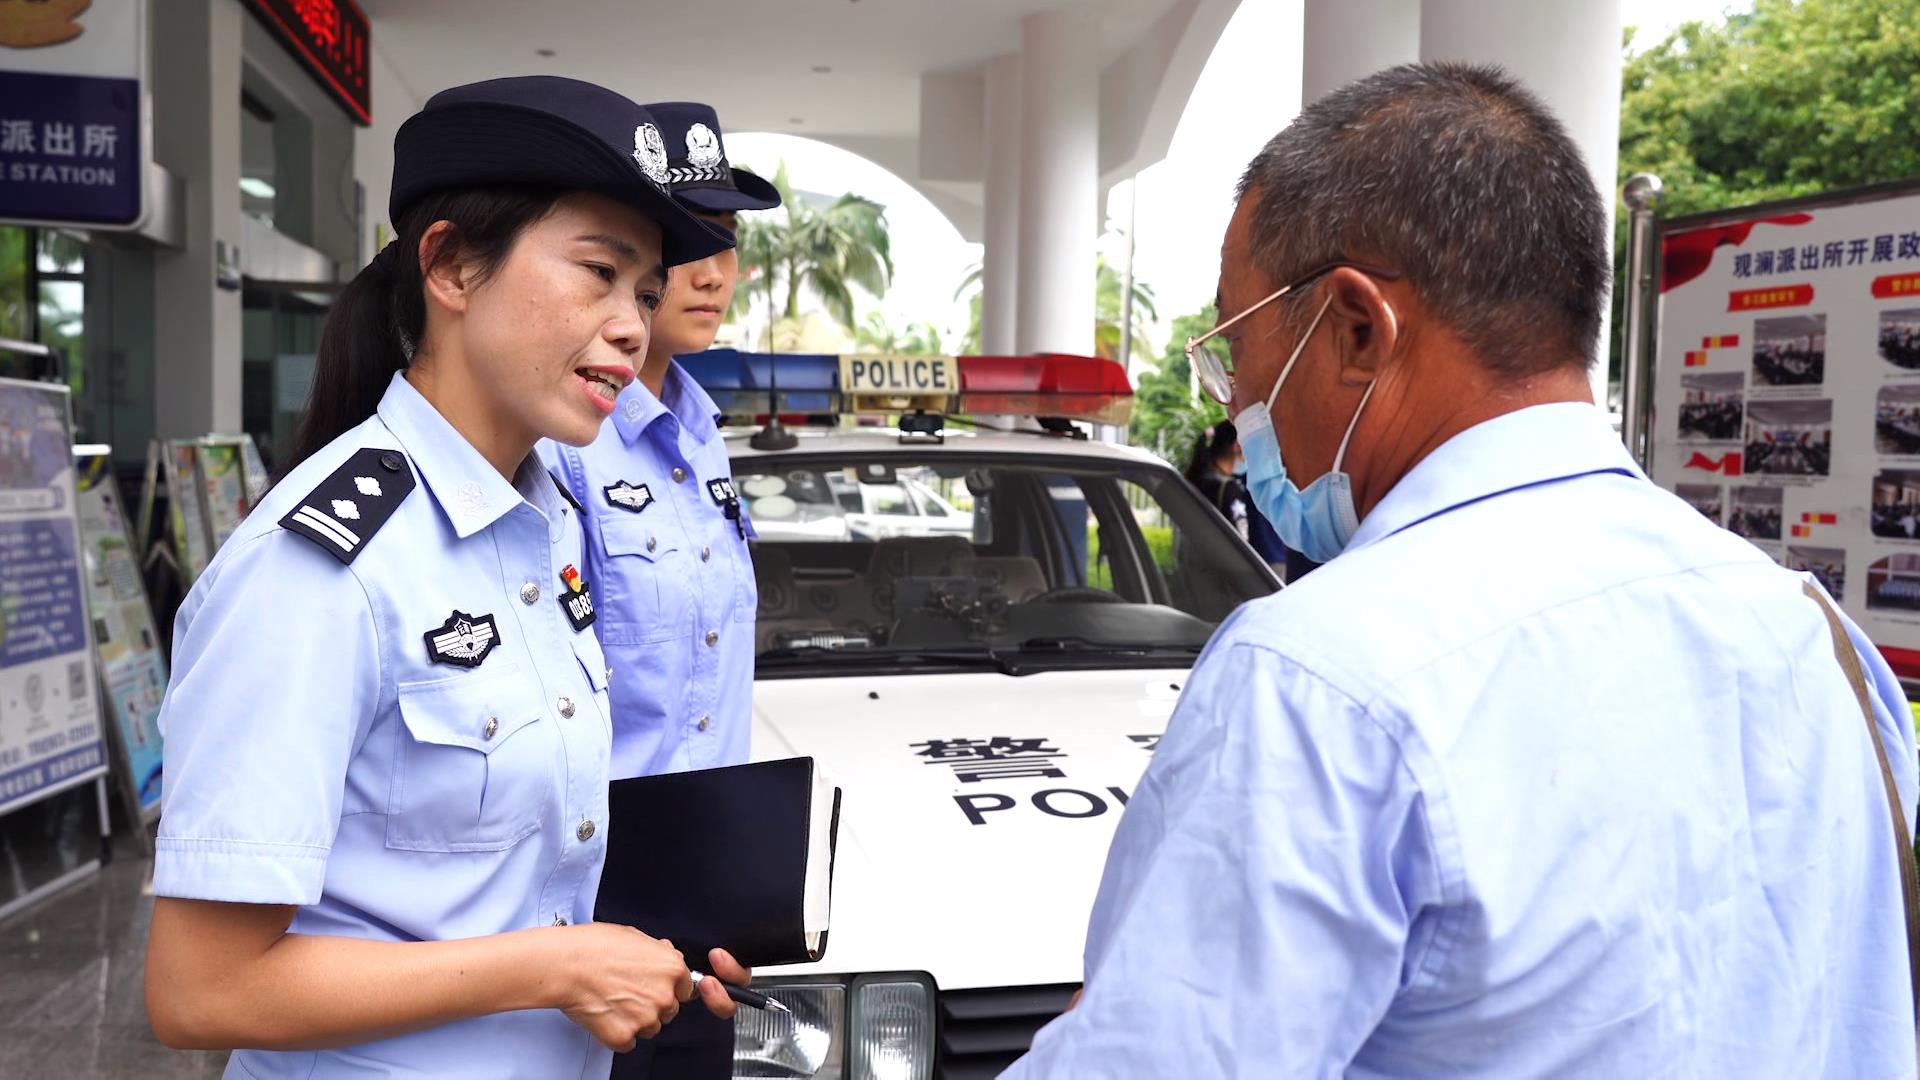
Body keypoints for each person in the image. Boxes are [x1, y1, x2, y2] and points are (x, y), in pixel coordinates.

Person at [1007, 63, 1916, 1077]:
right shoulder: (1812, 635)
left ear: (1355, 327)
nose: (1234, 403)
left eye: (1234, 350)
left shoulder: (1319, 681)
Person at [143, 77, 756, 1077]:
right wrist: (556, 968)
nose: (633, 325)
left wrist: (648, 949)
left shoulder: (545, 518)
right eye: (598, 272)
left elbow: (500, 876)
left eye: (643, 291)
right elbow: (199, 991)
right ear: (451, 267)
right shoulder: (321, 571)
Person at [539, 101, 781, 1079]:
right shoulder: (566, 435)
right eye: (684, 243)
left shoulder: (699, 427)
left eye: (724, 240)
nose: (712, 269)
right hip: (585, 919)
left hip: (702, 916)